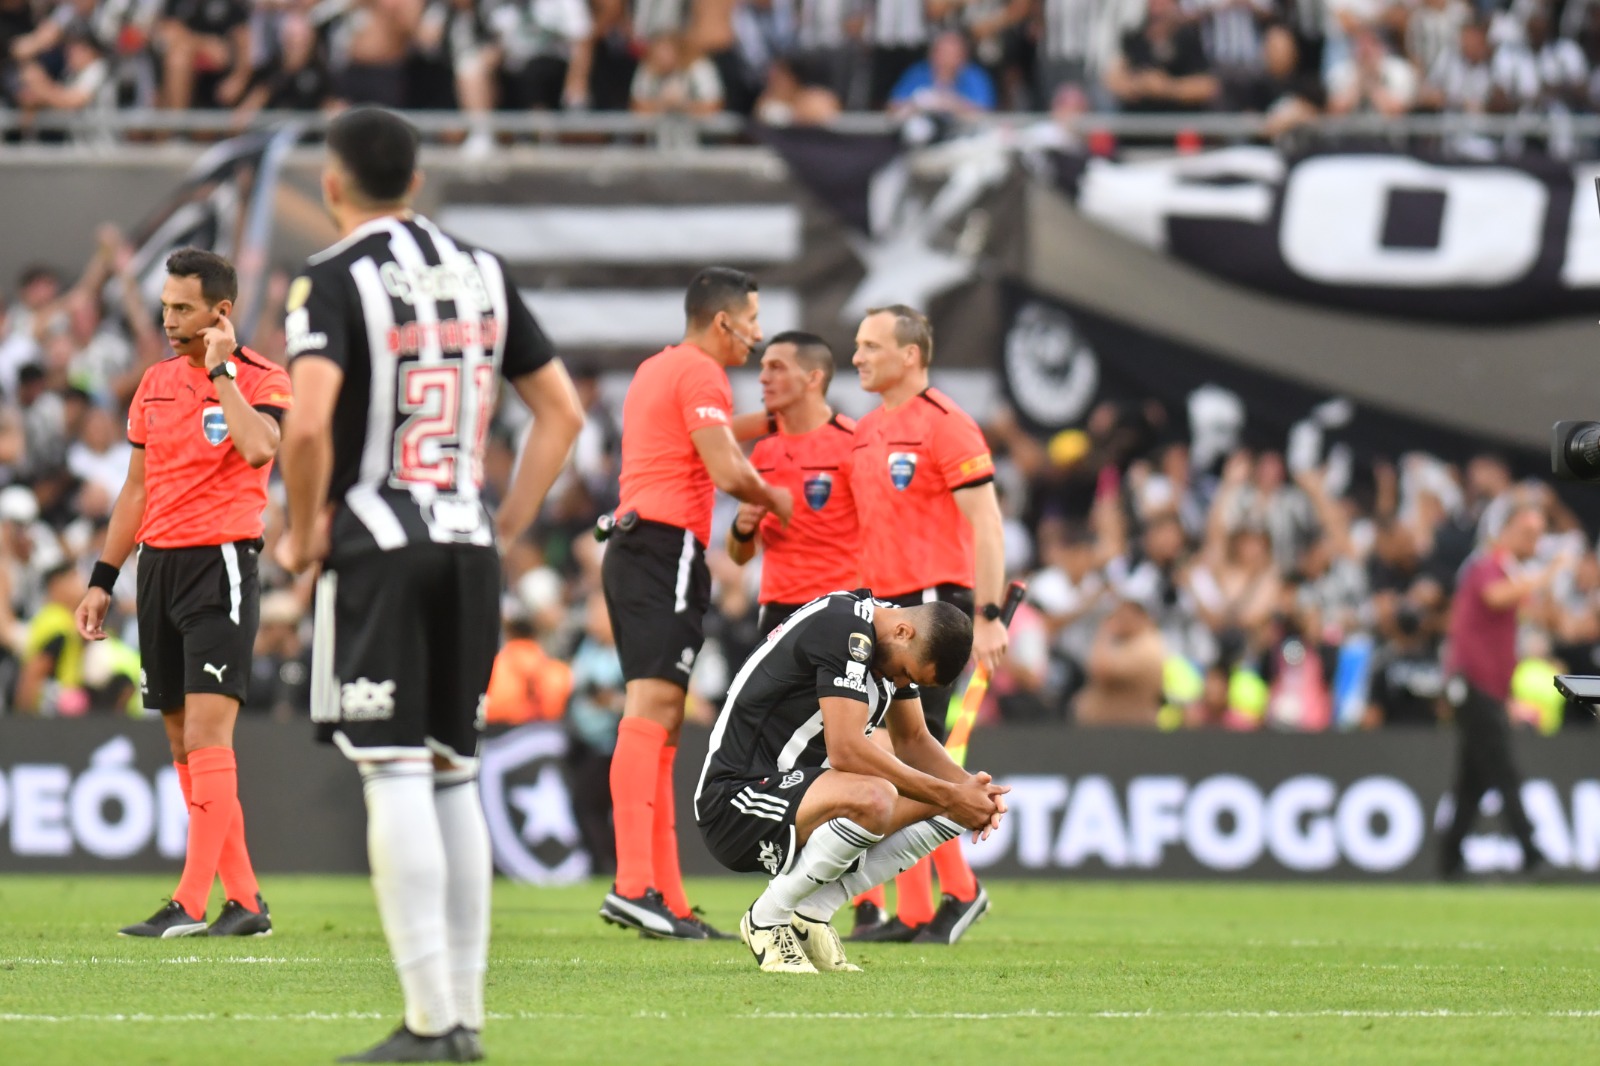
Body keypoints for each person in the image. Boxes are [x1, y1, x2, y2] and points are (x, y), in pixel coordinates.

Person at [274, 106, 584, 1064]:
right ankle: (465, 1020)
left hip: (379, 536)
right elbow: (562, 414)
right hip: (466, 540)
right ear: (416, 178)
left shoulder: (329, 278)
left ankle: (427, 1019)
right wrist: (512, 519)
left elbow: (313, 422)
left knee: (394, 769)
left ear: (332, 185)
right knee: (455, 772)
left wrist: (300, 533)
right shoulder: (483, 270)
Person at [75, 248, 291, 940]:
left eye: (181, 309)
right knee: (178, 739)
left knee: (205, 733)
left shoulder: (261, 378)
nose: (168, 320)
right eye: (165, 306)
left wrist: (224, 371)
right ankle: (247, 900)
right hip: (157, 571)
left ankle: (191, 902)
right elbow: (134, 491)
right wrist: (103, 579)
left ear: (220, 313)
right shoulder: (154, 384)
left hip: (220, 564)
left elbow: (260, 449)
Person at [598, 266, 793, 941]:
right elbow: (727, 468)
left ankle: (664, 895)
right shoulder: (703, 373)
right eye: (752, 323)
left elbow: (706, 438)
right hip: (663, 548)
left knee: (664, 721)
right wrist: (775, 499)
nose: (757, 339)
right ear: (722, 322)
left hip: (636, 548)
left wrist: (772, 418)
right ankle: (632, 886)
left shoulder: (662, 368)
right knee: (653, 711)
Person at [695, 590, 1008, 972]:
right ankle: (767, 918)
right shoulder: (846, 629)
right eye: (906, 674)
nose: (899, 681)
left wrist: (971, 793)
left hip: (800, 793)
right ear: (905, 632)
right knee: (876, 796)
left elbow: (913, 740)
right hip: (736, 799)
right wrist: (952, 793)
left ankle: (811, 914)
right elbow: (845, 749)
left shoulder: (888, 636)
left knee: (949, 807)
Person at [847, 304, 1009, 945]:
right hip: (881, 610)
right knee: (894, 755)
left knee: (918, 751)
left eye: (870, 345)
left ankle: (961, 893)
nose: (857, 356)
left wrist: (989, 615)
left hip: (935, 605)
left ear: (909, 354)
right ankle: (917, 907)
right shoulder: (864, 431)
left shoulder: (948, 426)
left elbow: (987, 525)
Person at [1438, 502, 1549, 879]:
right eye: (1527, 532)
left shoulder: (1506, 571)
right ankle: (1532, 852)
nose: (1534, 541)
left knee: (1474, 778)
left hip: (1490, 687)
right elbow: (1495, 597)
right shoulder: (1486, 564)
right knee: (1503, 769)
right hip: (1474, 683)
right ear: (1505, 533)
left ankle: (1449, 859)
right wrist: (1543, 576)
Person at [725, 331, 858, 635]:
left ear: (813, 378)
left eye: (777, 367)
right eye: (763, 368)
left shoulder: (855, 443)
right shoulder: (764, 452)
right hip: (777, 612)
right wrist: (741, 529)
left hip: (839, 608)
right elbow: (739, 554)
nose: (763, 378)